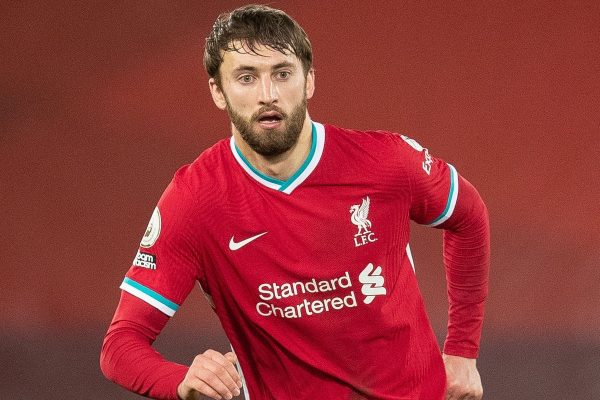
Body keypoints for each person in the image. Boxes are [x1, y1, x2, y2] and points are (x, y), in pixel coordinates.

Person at [100, 4, 489, 400]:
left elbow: (469, 217)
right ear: (218, 91)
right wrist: (181, 381)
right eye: (246, 77)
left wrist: (462, 350)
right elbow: (120, 345)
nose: (268, 95)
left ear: (309, 81)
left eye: (282, 74)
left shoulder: (386, 162)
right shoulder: (196, 200)